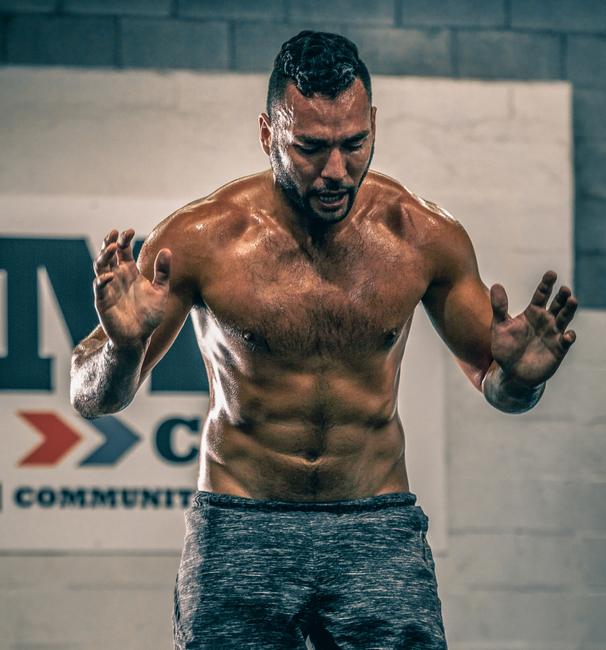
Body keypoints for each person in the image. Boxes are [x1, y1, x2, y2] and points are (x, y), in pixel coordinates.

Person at [70, 30, 578, 650]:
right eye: (310, 148)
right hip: (240, 526)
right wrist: (122, 348)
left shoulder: (424, 237)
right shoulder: (200, 239)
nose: (336, 171)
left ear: (373, 126)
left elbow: (499, 391)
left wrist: (521, 380)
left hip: (376, 529)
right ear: (267, 134)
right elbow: (94, 398)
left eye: (354, 144)